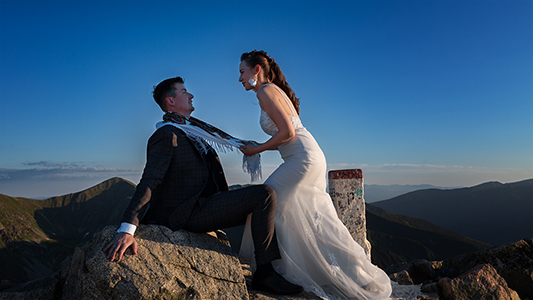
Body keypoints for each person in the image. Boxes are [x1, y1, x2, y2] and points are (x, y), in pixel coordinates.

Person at [103, 76, 303, 295]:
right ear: (171, 101)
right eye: (184, 91)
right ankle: (265, 274)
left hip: (206, 203)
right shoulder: (166, 134)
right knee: (264, 195)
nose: (191, 95)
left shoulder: (192, 130)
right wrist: (127, 228)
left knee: (273, 200)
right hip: (187, 212)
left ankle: (278, 267)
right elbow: (150, 181)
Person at [238, 51, 392, 300]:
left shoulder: (264, 91)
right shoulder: (274, 90)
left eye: (242, 72)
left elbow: (287, 132)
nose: (239, 78)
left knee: (263, 203)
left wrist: (256, 148)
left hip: (302, 159)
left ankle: (273, 273)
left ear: (256, 69)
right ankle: (348, 273)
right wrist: (260, 145)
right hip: (307, 155)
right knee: (307, 217)